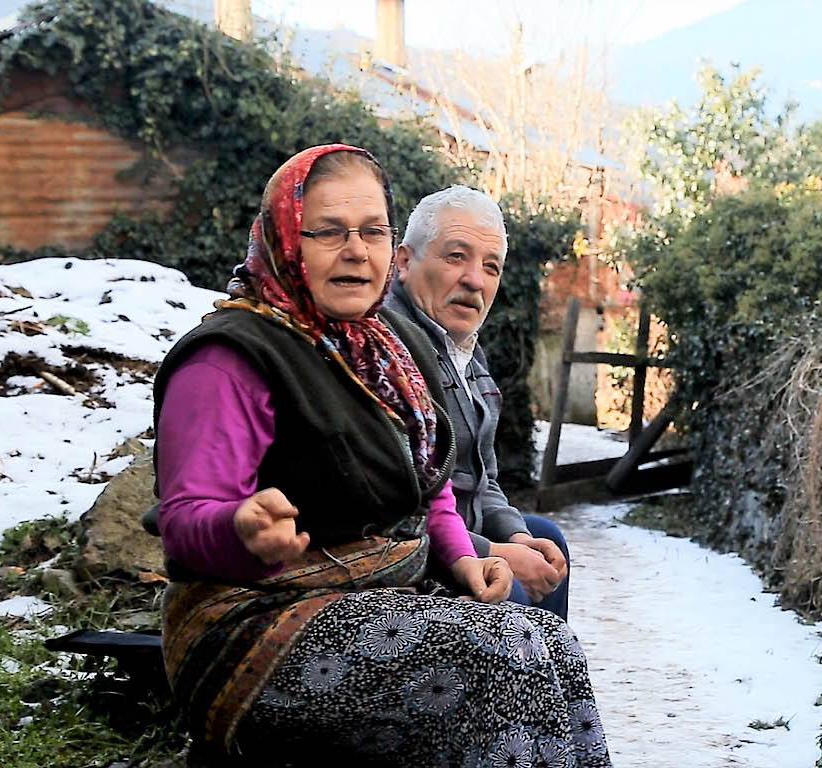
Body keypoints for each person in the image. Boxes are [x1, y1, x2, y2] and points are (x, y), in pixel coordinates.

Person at [152, 144, 611, 766]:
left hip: (374, 595)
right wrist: (239, 529)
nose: (355, 251)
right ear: (285, 238)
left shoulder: (383, 352)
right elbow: (184, 520)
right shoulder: (230, 358)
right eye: (328, 231)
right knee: (503, 649)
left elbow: (431, 485)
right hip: (251, 629)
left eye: (372, 231)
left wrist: (462, 559)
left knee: (552, 642)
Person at [385, 185, 571, 620]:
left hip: (465, 535)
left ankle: (548, 662)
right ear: (404, 262)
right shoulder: (386, 353)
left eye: (491, 267)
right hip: (414, 553)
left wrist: (516, 537)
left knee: (546, 539)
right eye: (456, 257)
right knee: (511, 593)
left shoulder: (468, 354)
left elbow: (483, 479)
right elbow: (399, 514)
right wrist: (492, 552)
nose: (475, 280)